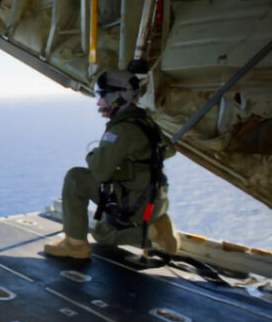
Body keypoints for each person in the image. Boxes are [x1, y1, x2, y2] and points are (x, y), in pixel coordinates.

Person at [44, 70, 179, 259]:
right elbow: (170, 150)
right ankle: (156, 226)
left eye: (103, 96)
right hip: (155, 200)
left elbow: (99, 172)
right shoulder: (146, 122)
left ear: (118, 97)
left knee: (76, 178)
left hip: (134, 202)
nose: (99, 102)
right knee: (102, 229)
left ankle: (76, 245)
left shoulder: (120, 130)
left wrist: (93, 155)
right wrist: (132, 165)